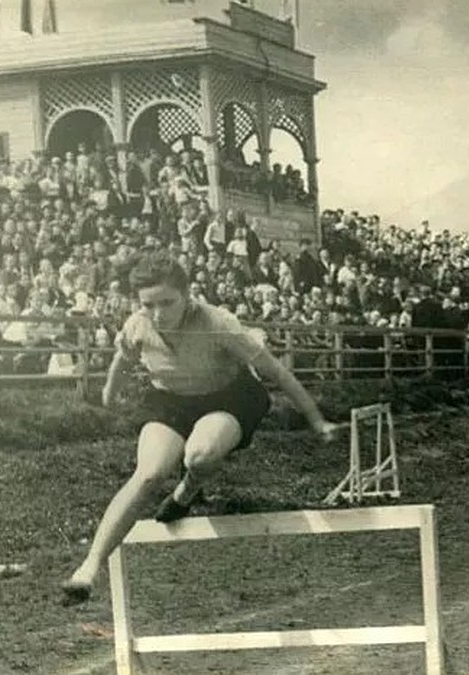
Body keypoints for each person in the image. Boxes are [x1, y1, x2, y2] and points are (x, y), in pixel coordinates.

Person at [60, 252, 339, 606]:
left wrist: (316, 419)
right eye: (149, 304)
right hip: (171, 400)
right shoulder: (138, 324)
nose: (159, 314)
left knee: (200, 454)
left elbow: (278, 373)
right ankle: (88, 568)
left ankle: (187, 491)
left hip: (228, 397)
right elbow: (121, 360)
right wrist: (108, 396)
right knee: (147, 475)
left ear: (188, 295)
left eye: (167, 303)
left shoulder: (218, 323)